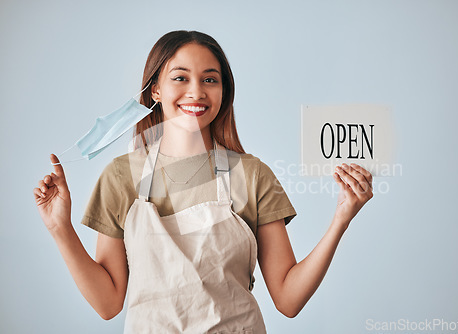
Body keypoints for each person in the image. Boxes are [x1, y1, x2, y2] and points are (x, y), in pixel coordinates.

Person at [33, 30, 374, 333]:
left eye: (210, 80)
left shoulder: (253, 175)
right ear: (155, 89)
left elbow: (288, 299)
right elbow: (108, 304)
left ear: (224, 91)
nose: (196, 92)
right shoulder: (120, 177)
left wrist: (340, 220)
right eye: (180, 78)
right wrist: (60, 228)